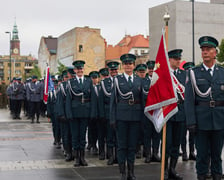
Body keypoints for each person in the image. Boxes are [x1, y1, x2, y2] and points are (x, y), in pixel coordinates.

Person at [185, 36, 224, 180]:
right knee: (201, 156)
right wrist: (191, 122)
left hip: (219, 120)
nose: (205, 52)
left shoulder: (222, 72)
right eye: (203, 50)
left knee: (217, 156)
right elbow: (189, 100)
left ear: (215, 52)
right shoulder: (194, 73)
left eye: (208, 49)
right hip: (201, 122)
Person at [110, 53, 143, 180]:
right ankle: (123, 172)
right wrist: (113, 118)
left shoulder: (139, 80)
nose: (128, 66)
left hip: (135, 116)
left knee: (132, 145)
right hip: (121, 116)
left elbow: (142, 100)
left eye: (130, 64)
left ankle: (131, 171)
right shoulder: (117, 80)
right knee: (122, 145)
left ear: (134, 65)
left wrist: (142, 118)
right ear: (122, 66)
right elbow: (113, 101)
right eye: (125, 64)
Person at [65, 60, 94, 167]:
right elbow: (68, 99)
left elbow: (92, 99)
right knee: (75, 136)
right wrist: (68, 113)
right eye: (78, 69)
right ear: (75, 70)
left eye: (81, 69)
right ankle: (77, 158)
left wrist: (92, 113)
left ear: (83, 69)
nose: (80, 71)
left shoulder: (88, 81)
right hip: (74, 111)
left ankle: (82, 157)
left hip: (85, 111)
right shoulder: (71, 83)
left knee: (82, 135)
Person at [164, 49, 186, 180]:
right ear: (170, 60)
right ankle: (165, 170)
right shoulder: (164, 75)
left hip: (180, 112)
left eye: (179, 59)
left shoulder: (184, 75)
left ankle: (172, 169)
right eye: (175, 59)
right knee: (167, 144)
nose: (178, 61)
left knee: (176, 145)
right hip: (168, 113)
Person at [99, 61, 120, 165]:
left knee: (119, 136)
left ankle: (118, 156)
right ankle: (111, 156)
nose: (114, 72)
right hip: (108, 113)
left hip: (120, 113)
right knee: (110, 136)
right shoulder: (104, 83)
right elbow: (101, 100)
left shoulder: (121, 80)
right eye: (112, 70)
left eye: (115, 70)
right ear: (109, 71)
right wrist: (102, 114)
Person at [142, 61, 161, 163]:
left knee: (157, 134)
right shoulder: (143, 81)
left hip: (157, 112)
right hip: (147, 112)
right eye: (149, 69)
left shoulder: (159, 81)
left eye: (152, 69)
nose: (151, 71)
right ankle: (148, 154)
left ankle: (155, 153)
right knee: (147, 134)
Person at [180, 62, 196, 162]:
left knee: (192, 134)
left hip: (191, 109)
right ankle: (184, 152)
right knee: (183, 133)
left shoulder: (194, 79)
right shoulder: (182, 79)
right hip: (182, 109)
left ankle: (191, 152)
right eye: (187, 70)